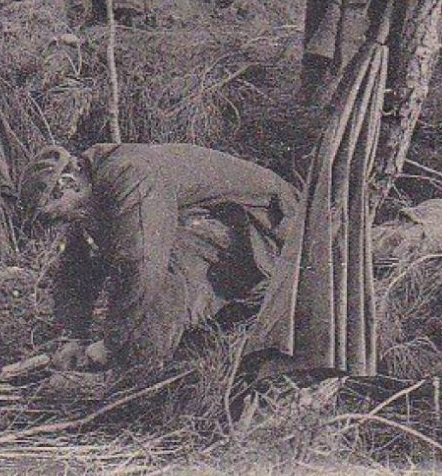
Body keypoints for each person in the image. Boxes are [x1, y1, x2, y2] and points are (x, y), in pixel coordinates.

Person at [21, 142, 299, 374]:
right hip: (220, 223)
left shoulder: (130, 174)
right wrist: (73, 336)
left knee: (165, 276)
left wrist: (112, 344)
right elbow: (77, 268)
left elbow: (141, 263)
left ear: (68, 183)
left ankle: (140, 378)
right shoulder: (90, 189)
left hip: (266, 227)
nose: (59, 223)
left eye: (55, 215)